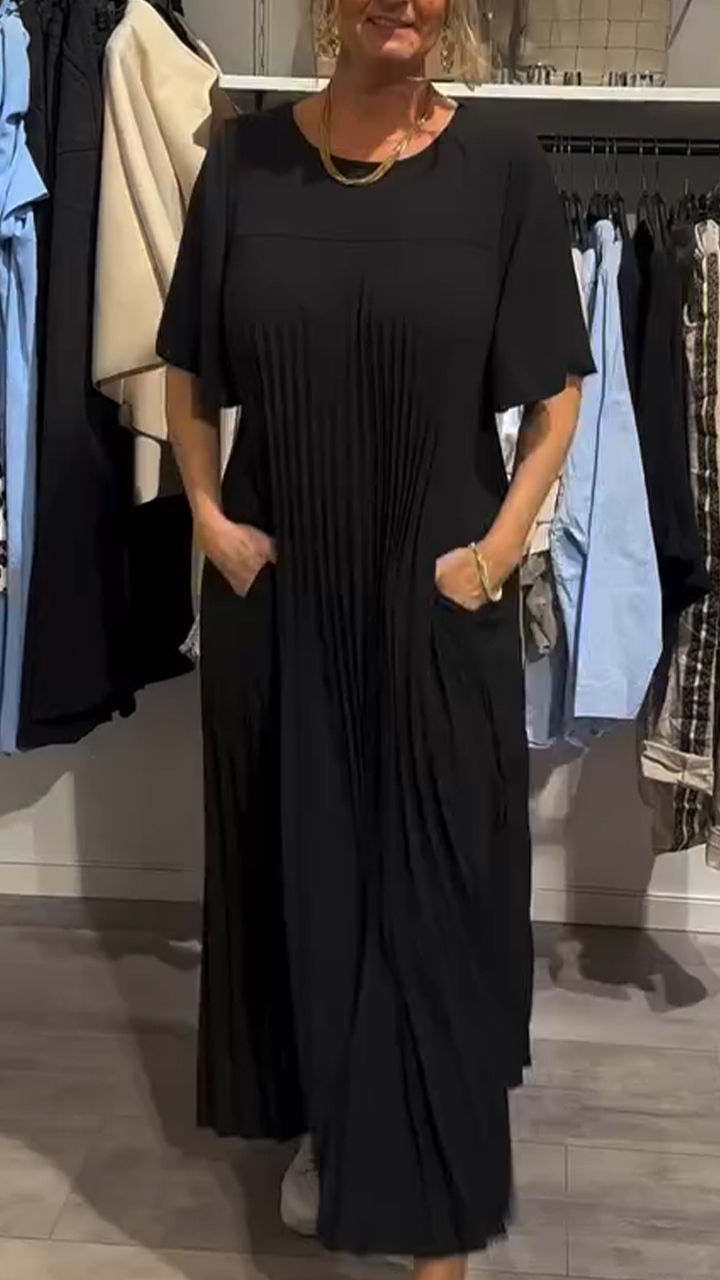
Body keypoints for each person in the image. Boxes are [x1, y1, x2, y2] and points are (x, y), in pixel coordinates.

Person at [157, 2, 593, 1279]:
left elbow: (557, 399)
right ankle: (340, 1126)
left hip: (435, 600)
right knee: (308, 885)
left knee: (436, 899)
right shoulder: (245, 166)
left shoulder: (499, 169)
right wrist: (208, 516)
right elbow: (187, 368)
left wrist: (496, 553)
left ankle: (433, 1221)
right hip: (283, 602)